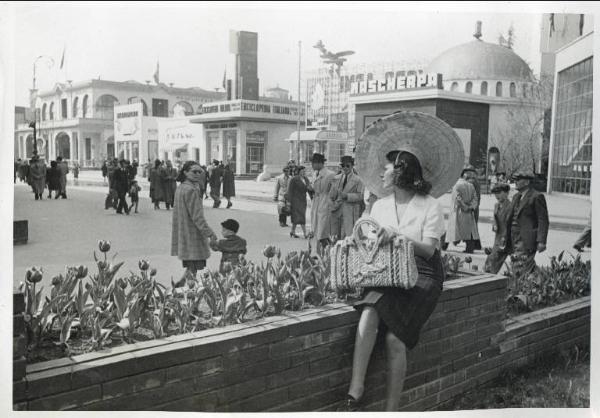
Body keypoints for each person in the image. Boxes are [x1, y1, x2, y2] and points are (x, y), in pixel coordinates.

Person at [344, 111, 463, 411]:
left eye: (386, 169)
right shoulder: (379, 206)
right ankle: (355, 390)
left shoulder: (430, 205)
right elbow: (364, 236)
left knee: (396, 340)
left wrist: (397, 236)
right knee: (369, 311)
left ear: (401, 171)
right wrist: (359, 240)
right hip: (388, 271)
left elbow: (429, 251)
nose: (382, 174)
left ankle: (391, 411)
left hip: (423, 275)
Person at [171, 161, 218, 283]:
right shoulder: (191, 190)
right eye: (194, 171)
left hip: (184, 233)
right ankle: (185, 290)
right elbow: (197, 216)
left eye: (199, 172)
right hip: (193, 234)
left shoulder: (181, 187)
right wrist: (210, 233)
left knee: (190, 267)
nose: (197, 174)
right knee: (193, 267)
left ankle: (181, 287)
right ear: (185, 172)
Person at [507, 170, 549, 278]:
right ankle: (542, 279)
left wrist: (541, 241)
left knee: (519, 265)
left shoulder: (536, 196)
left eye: (518, 180)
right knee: (522, 264)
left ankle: (520, 289)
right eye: (515, 180)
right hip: (513, 237)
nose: (515, 182)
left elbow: (543, 220)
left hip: (526, 238)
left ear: (526, 182)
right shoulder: (516, 196)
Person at [329, 155, 365, 240]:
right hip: (336, 212)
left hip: (350, 212)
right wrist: (332, 205)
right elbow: (331, 196)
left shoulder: (358, 180)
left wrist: (348, 196)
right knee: (335, 238)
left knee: (348, 237)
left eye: (347, 165)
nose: (345, 168)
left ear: (352, 166)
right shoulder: (336, 178)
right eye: (343, 165)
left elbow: (360, 196)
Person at [446, 167, 481, 253]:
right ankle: (470, 248)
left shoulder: (457, 185)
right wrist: (471, 207)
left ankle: (444, 245)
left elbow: (457, 198)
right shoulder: (472, 185)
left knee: (454, 229)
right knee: (469, 230)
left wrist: (464, 206)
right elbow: (475, 198)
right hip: (469, 212)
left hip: (459, 211)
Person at [307, 153, 335, 252]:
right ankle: (319, 253)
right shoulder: (315, 174)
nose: (312, 166)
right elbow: (315, 189)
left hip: (325, 203)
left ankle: (329, 252)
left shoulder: (330, 175)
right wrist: (311, 189)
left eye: (313, 163)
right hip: (316, 203)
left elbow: (334, 190)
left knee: (323, 232)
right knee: (316, 231)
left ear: (319, 163)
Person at [484, 183, 513, 274]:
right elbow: (495, 218)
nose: (497, 195)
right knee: (493, 260)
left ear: (507, 193)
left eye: (499, 192)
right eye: (495, 193)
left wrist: (505, 237)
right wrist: (494, 225)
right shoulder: (496, 205)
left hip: (507, 237)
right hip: (498, 236)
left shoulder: (511, 206)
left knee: (494, 259)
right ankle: (488, 276)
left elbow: (511, 224)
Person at [286, 165, 311, 239]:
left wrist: (312, 196)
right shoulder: (294, 179)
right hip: (295, 201)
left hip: (303, 201)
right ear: (298, 171)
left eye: (304, 171)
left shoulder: (306, 179)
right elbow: (289, 191)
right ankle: (305, 234)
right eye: (302, 171)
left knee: (297, 218)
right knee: (300, 217)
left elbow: (309, 189)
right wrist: (289, 202)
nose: (303, 173)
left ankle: (292, 231)